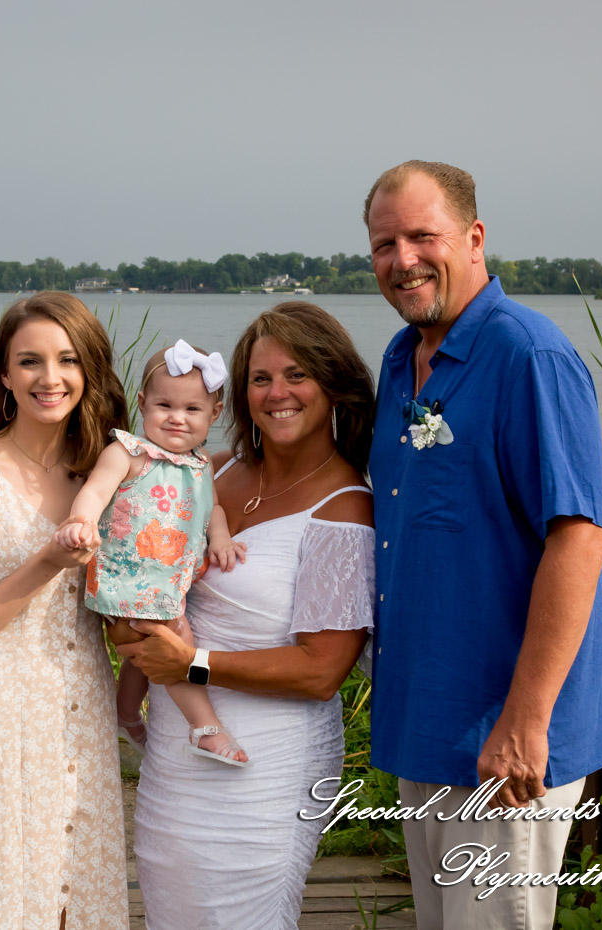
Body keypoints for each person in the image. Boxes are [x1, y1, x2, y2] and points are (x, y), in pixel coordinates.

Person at [362, 160, 602, 930]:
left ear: (474, 238)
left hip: (504, 735)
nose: (402, 260)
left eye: (421, 236)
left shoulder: (527, 356)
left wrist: (525, 720)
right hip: (429, 722)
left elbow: (578, 539)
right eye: (383, 244)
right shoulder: (399, 362)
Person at [116, 302, 376, 929]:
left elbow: (321, 672)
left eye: (297, 374)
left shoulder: (345, 508)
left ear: (334, 384)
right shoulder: (211, 469)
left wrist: (191, 664)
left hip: (267, 765)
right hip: (178, 755)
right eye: (260, 378)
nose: (277, 393)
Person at [0, 292, 130, 929]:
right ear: (4, 375)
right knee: (3, 900)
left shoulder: (104, 472)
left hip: (83, 712)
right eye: (30, 361)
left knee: (76, 897)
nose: (50, 377)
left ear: (88, 370)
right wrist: (46, 561)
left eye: (67, 360)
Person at [55, 339, 251, 766]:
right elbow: (95, 490)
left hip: (166, 582)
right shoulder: (128, 453)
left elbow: (212, 507)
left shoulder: (202, 466)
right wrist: (81, 522)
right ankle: (205, 728)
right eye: (165, 406)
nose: (177, 418)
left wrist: (220, 537)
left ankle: (125, 714)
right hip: (128, 578)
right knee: (175, 644)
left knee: (143, 656)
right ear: (143, 404)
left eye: (192, 410)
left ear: (214, 414)